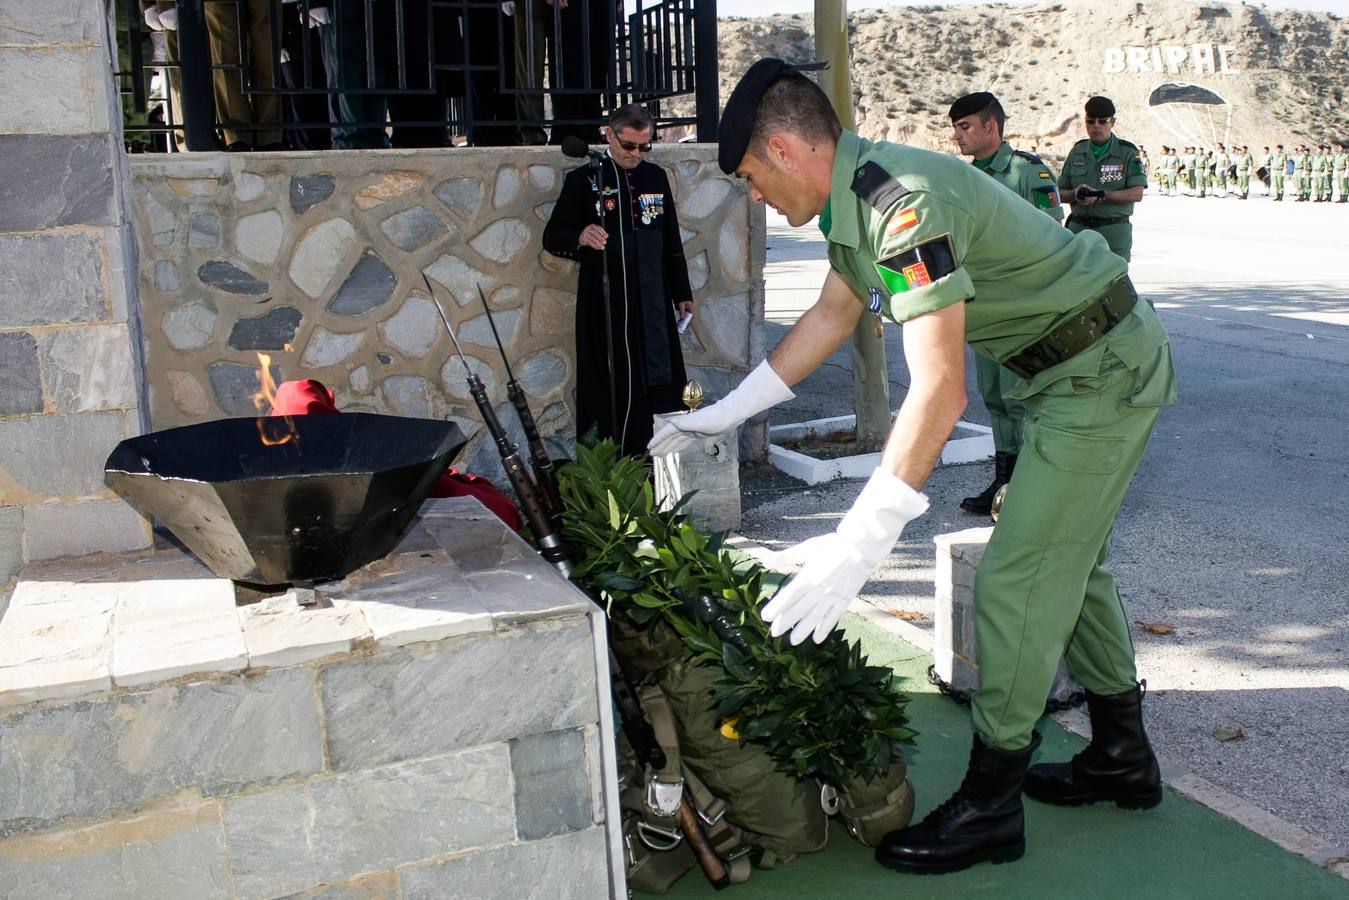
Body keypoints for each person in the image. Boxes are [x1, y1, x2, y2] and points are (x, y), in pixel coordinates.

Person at [650, 59, 1176, 875]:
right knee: (1072, 562)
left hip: (1099, 372)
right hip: (1062, 370)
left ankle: (992, 806)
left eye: (751, 177)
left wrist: (859, 545)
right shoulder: (856, 192)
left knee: (1018, 577)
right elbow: (832, 312)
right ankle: (1120, 755)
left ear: (786, 150)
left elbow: (936, 389)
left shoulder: (898, 203)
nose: (754, 196)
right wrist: (720, 414)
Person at [543, 104, 696, 457]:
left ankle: (656, 461)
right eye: (629, 146)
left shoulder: (656, 178)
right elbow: (553, 236)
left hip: (653, 301)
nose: (636, 155)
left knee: (657, 379)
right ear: (609, 135)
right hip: (605, 301)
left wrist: (682, 293)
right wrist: (581, 235)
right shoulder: (583, 181)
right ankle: (611, 464)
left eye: (645, 147)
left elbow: (671, 241)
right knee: (608, 380)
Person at [947, 92, 1064, 516]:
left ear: (991, 127)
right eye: (956, 127)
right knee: (995, 396)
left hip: (1022, 308)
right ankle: (1004, 482)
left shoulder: (1026, 172)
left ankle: (1033, 487)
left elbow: (1052, 237)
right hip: (982, 307)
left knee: (1023, 397)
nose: (957, 135)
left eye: (965, 127)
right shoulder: (961, 178)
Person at [1059, 97, 1146, 262]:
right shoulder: (1077, 151)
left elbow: (1137, 193)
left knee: (1113, 285)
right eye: (1091, 121)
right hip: (1080, 233)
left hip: (1113, 234)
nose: (1096, 126)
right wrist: (1074, 194)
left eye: (1102, 121)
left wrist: (1101, 194)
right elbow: (1059, 193)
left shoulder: (1128, 153)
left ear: (1112, 122)